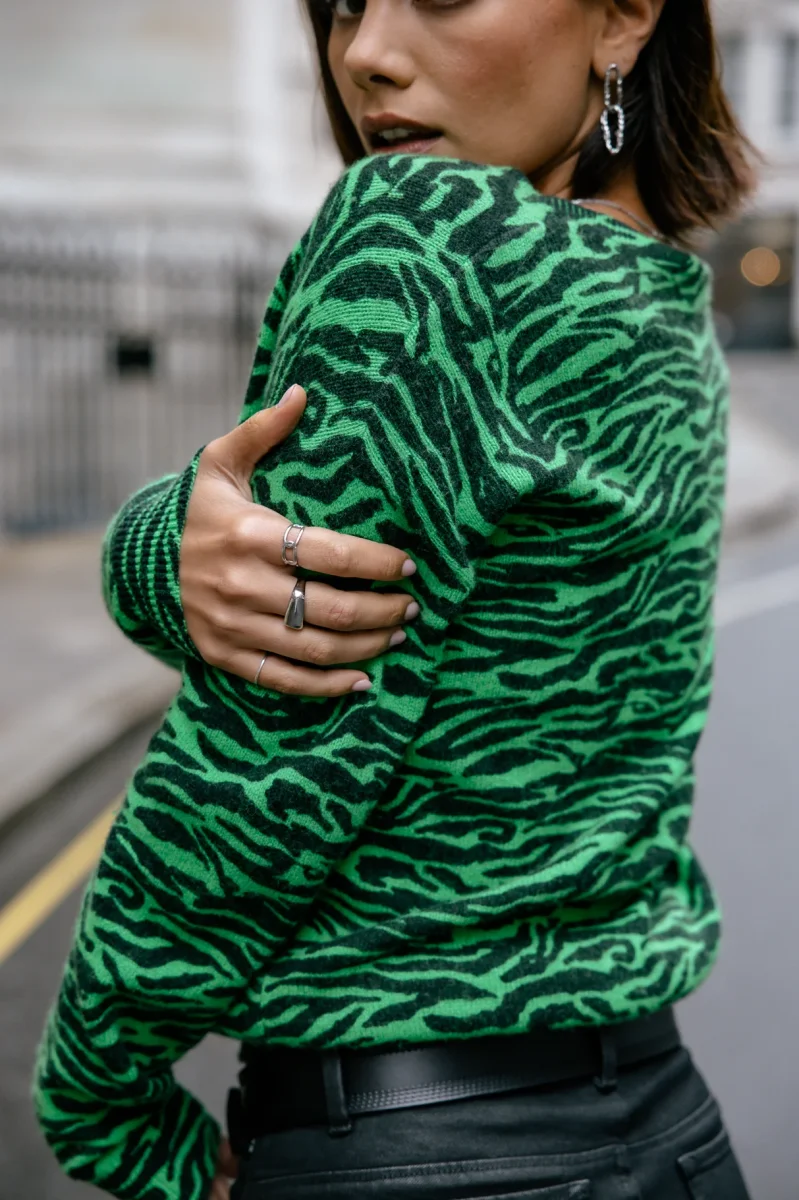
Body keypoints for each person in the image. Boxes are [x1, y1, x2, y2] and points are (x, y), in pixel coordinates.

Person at [33, 0, 757, 1198]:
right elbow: (426, 647)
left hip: (414, 1153)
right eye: (343, 5)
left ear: (625, 15)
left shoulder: (425, 236)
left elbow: (269, 748)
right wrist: (161, 550)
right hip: (665, 1134)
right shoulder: (664, 303)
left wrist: (100, 1098)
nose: (364, 53)